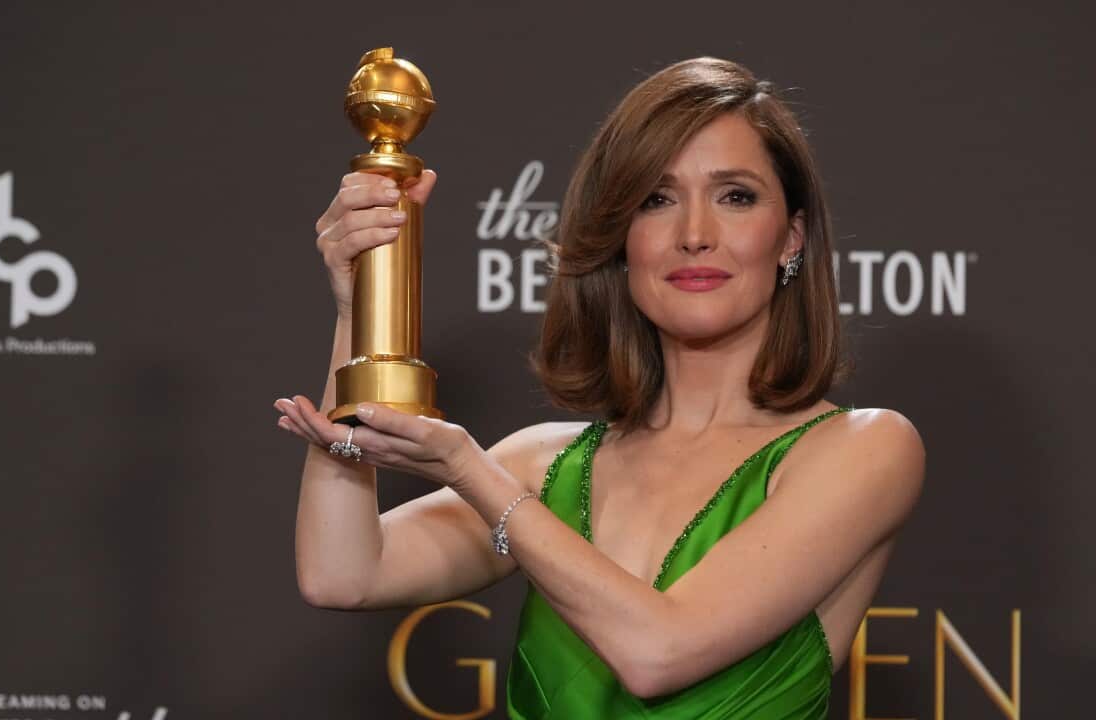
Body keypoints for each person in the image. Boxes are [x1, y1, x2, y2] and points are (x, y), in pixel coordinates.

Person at [275, 56, 924, 719]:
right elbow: (342, 573)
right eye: (656, 200)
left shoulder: (863, 449)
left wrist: (473, 473)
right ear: (620, 238)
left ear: (792, 236)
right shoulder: (546, 462)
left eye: (735, 196)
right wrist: (359, 312)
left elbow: (659, 652)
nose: (695, 235)